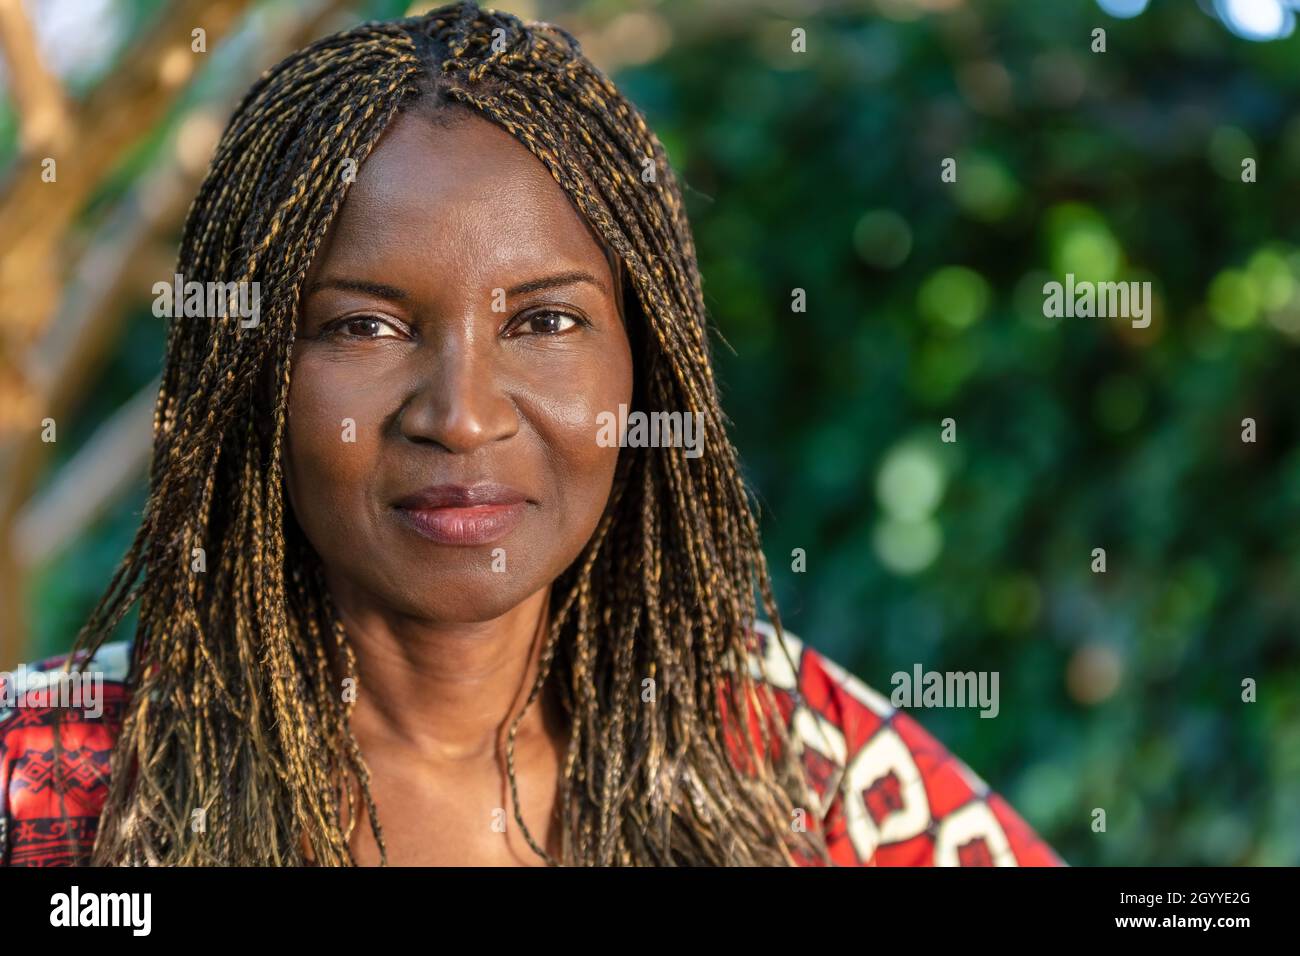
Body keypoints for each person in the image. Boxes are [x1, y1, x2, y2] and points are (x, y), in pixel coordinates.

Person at [0, 1, 1062, 867]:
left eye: (544, 320)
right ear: (252, 376)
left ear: (640, 358)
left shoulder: (789, 753)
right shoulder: (40, 779)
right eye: (363, 325)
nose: (460, 413)